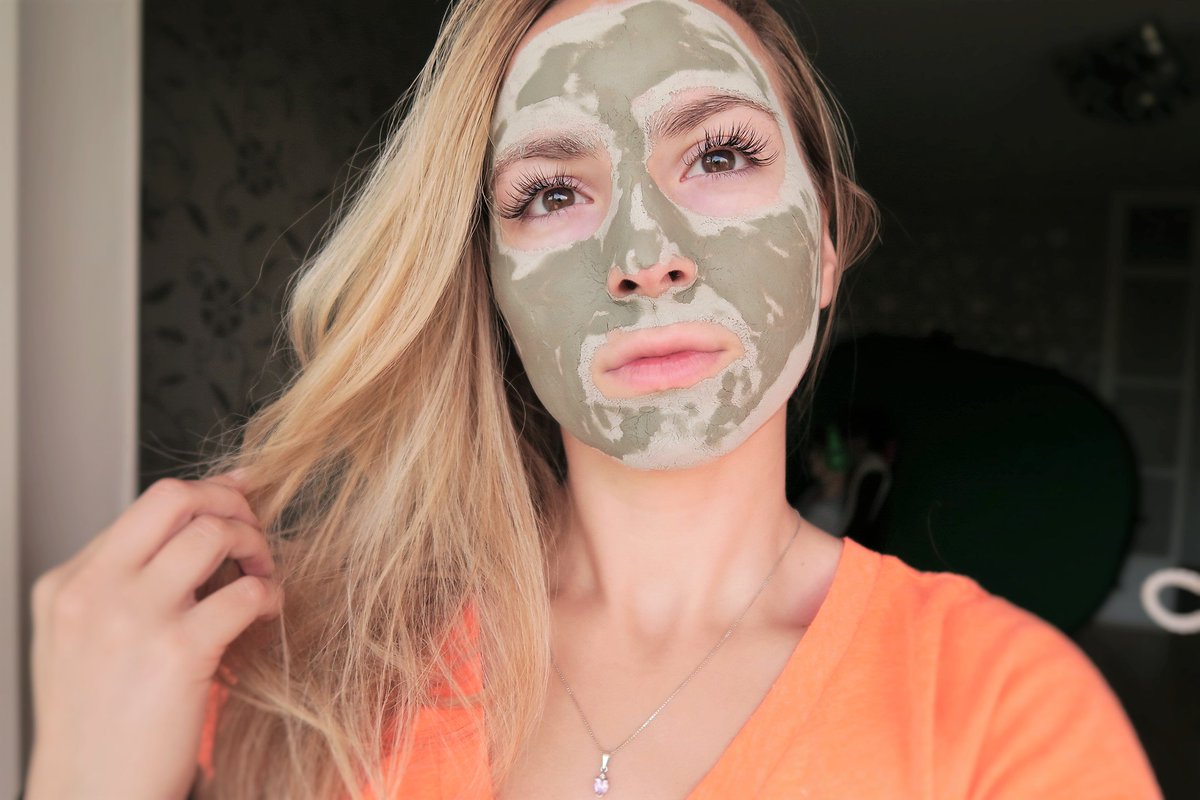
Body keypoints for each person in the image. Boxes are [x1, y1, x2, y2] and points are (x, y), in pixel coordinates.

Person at [24, 0, 1164, 798]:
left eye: (718, 155)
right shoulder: (292, 665)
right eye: (552, 191)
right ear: (492, 284)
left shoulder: (1006, 712)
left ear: (823, 247)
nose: (644, 256)